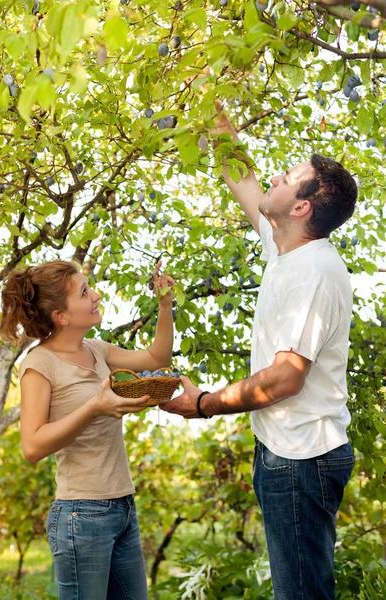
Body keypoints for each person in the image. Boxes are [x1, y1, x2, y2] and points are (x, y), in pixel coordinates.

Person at [162, 100, 358, 600]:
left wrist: (204, 403)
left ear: (302, 207)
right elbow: (244, 178)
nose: (275, 175)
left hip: (302, 458)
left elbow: (284, 378)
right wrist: (210, 100)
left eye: (290, 176)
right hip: (285, 450)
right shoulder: (285, 247)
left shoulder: (315, 271)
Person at [0, 258, 175, 600]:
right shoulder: (39, 364)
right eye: (84, 292)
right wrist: (95, 407)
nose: (95, 295)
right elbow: (33, 447)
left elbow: (157, 358)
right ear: (61, 316)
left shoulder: (96, 350)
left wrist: (165, 305)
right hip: (82, 514)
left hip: (122, 506)